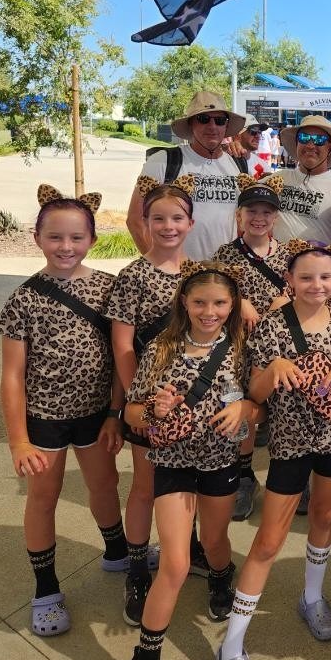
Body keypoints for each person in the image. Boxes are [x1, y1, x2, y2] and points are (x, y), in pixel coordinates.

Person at [215, 244, 331, 660]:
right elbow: (254, 392)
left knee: (322, 519)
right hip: (290, 445)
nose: (316, 286)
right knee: (268, 541)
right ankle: (232, 646)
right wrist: (273, 369)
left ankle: (311, 599)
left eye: (325, 277)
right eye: (306, 278)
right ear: (289, 280)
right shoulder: (272, 329)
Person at [123, 264, 258, 660]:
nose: (209, 311)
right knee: (177, 564)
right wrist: (153, 412)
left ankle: (221, 576)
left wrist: (244, 406)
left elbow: (260, 402)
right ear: (184, 302)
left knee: (217, 544)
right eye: (200, 302)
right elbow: (132, 413)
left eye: (220, 303)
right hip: (173, 464)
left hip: (221, 461)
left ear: (233, 306)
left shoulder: (242, 347)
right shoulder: (162, 347)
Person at [0, 185, 127, 637]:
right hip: (43, 421)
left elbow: (119, 357)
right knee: (43, 498)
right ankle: (46, 588)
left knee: (105, 486)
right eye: (55, 237)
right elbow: (12, 376)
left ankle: (117, 551)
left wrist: (115, 412)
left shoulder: (109, 290)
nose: (65, 247)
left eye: (76, 237)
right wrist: (18, 438)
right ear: (37, 237)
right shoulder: (24, 299)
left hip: (96, 415)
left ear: (92, 238)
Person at [107, 177, 195, 625]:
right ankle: (138, 568)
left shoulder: (199, 272)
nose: (167, 226)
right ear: (143, 222)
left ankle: (186, 547)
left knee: (187, 484)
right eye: (158, 218)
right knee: (145, 486)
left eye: (176, 218)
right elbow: (123, 346)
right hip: (147, 404)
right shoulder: (132, 277)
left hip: (193, 403)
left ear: (190, 223)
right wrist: (134, 406)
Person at [213, 176, 290, 520]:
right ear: (239, 215)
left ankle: (289, 478)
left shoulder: (288, 254)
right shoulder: (226, 253)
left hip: (279, 347)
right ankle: (244, 475)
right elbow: (214, 295)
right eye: (252, 211)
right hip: (239, 347)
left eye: (266, 212)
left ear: (275, 218)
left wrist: (283, 300)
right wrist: (239, 301)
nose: (259, 218)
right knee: (243, 407)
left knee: (284, 410)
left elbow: (303, 289)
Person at [127, 91, 246, 261]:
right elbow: (135, 220)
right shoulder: (164, 161)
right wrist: (160, 267)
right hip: (177, 276)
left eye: (219, 120)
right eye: (203, 119)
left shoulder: (238, 165)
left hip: (223, 277)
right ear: (191, 124)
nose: (212, 126)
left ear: (226, 126)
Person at [273, 116, 331, 245]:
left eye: (319, 140)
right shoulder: (277, 180)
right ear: (297, 142)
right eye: (304, 138)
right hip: (273, 263)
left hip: (317, 264)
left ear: (329, 147)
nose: (310, 145)